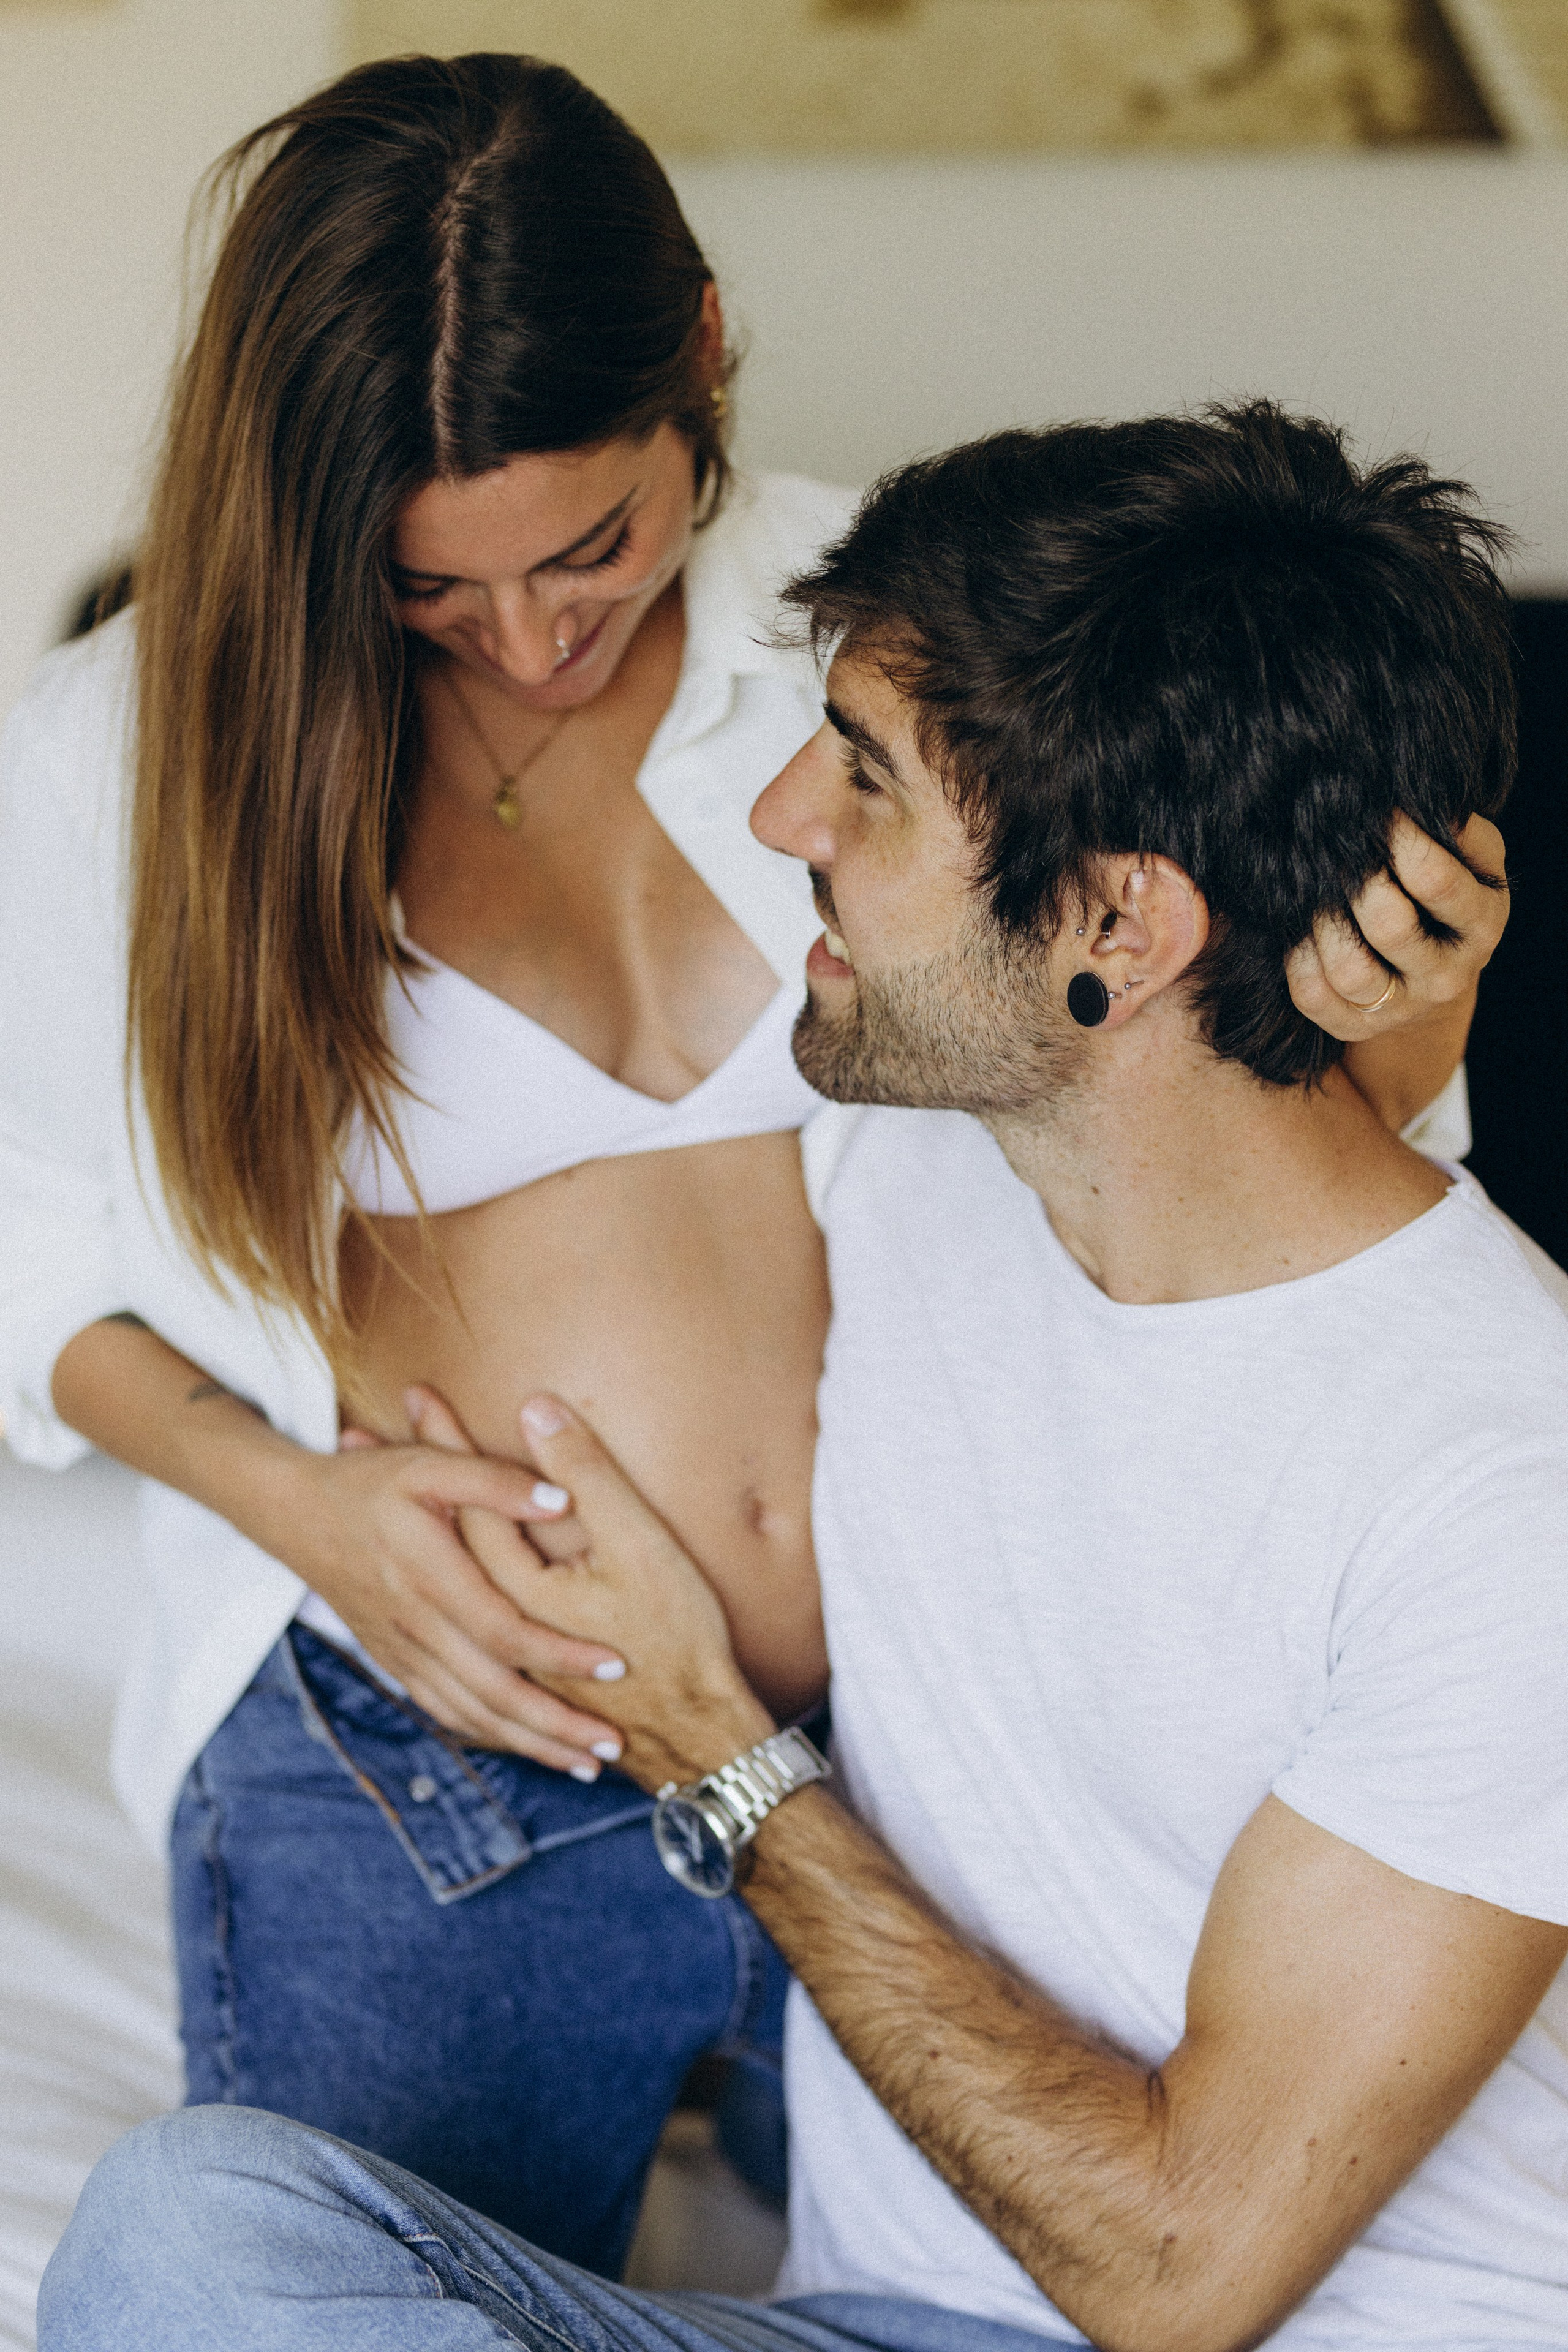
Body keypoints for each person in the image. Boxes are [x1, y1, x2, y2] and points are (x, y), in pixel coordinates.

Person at [0, 48, 1502, 2269]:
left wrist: (1419, 1010)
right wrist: (302, 1506)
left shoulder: (900, 646)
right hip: (442, 1739)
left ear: (699, 348)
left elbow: (1238, 1147)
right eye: (435, 595)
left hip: (921, 1733)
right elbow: (29, 1271)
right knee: (278, 2280)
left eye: (594, 545)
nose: (530, 641)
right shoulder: (119, 754)